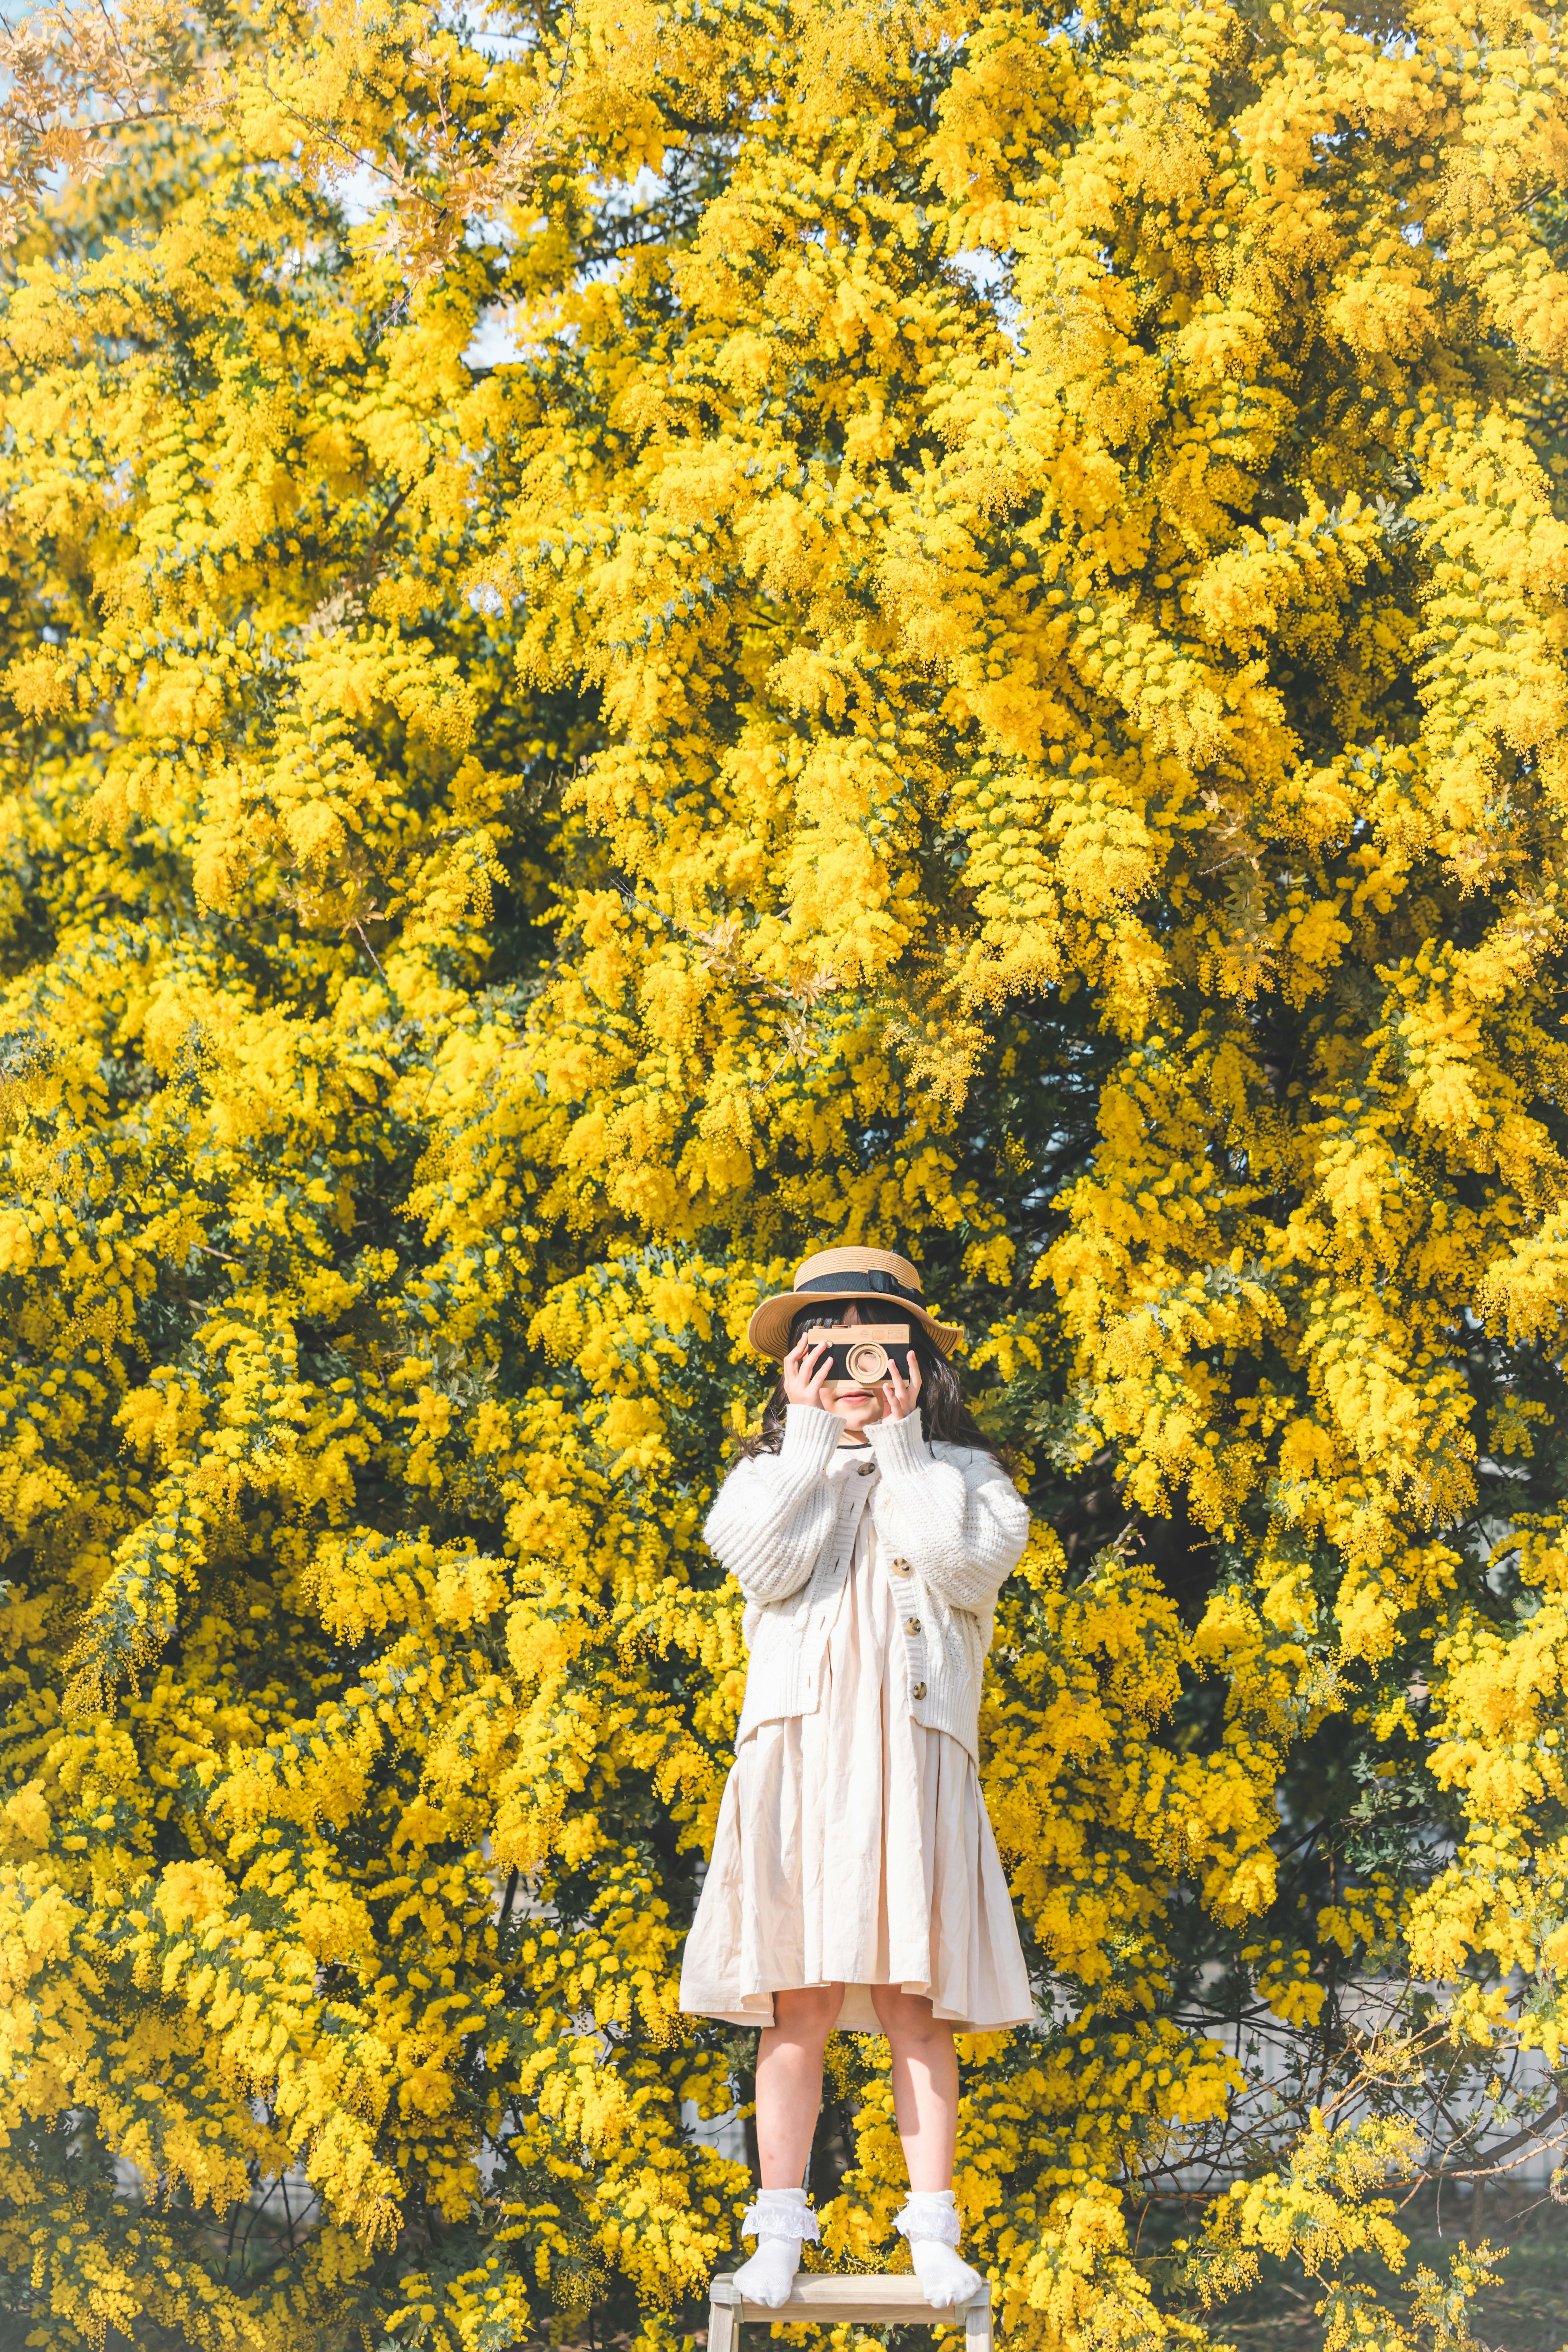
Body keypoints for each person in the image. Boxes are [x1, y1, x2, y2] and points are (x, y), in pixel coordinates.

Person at [679, 1245, 1034, 2310]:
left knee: (916, 2006)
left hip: (915, 1761)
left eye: (875, 1345)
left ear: (919, 1357)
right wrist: (808, 1441)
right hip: (800, 1761)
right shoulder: (773, 1476)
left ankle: (933, 2230)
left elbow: (964, 1565)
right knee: (799, 2006)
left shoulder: (965, 1479)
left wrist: (905, 1441)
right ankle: (778, 2228)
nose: (850, 1365)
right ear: (793, 1362)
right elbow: (761, 1561)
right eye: (823, 1345)